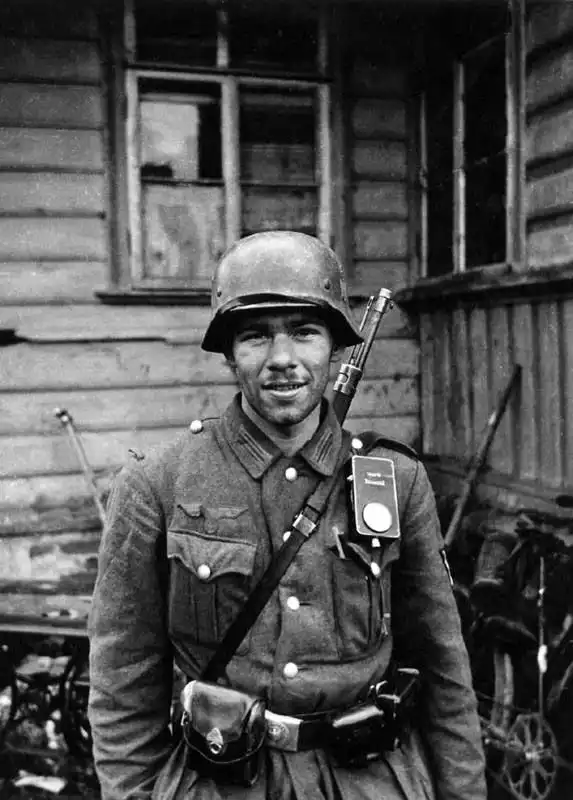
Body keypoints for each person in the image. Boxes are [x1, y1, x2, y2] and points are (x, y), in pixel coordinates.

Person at [88, 231, 486, 800]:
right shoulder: (158, 485)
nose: (282, 359)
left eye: (304, 332)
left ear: (335, 349)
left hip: (374, 782)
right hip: (219, 782)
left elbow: (444, 670)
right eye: (255, 337)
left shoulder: (395, 479)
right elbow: (123, 680)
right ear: (228, 353)